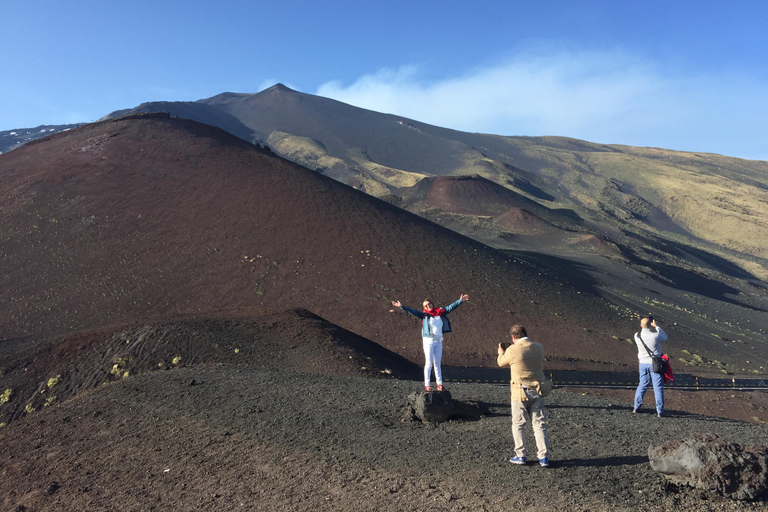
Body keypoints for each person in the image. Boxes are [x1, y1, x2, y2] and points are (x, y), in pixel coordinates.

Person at [497, 324, 552, 467]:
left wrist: (501, 352)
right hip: (538, 391)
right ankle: (543, 457)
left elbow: (501, 363)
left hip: (519, 392)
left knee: (519, 424)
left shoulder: (512, 350)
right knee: (539, 424)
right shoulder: (539, 347)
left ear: (513, 337)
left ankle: (520, 455)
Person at [391, 294, 469, 392]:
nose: (428, 306)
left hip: (438, 341)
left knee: (437, 364)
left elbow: (450, 307)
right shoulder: (424, 315)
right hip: (428, 341)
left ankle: (439, 384)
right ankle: (427, 385)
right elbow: (413, 311)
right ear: (424, 308)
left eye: (429, 304)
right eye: (426, 305)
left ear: (432, 304)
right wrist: (401, 306)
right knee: (428, 363)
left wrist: (460, 300)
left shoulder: (440, 313)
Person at [633, 316, 669, 417]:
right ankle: (660, 411)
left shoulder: (637, 336)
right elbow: (665, 337)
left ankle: (637, 406)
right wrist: (656, 326)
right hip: (655, 364)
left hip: (642, 363)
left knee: (642, 385)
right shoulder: (655, 336)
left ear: (641, 325)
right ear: (650, 325)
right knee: (658, 387)